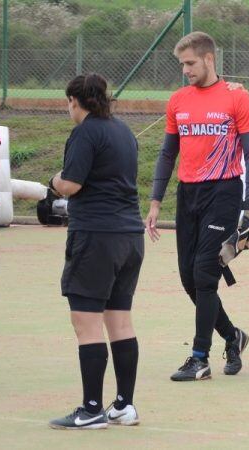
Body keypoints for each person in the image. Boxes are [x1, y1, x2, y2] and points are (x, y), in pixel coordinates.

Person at [145, 31, 249, 381]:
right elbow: (168, 154)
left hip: (224, 192)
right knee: (188, 278)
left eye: (190, 63)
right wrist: (155, 201)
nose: (185, 70)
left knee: (204, 273)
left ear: (209, 59)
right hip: (188, 194)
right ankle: (232, 336)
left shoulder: (237, 98)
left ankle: (200, 357)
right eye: (182, 64)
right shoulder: (178, 100)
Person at [48, 74, 144, 429]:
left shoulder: (85, 132)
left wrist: (53, 183)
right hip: (130, 238)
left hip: (96, 237)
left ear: (75, 101)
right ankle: (124, 405)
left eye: (68, 103)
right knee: (119, 321)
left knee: (86, 324)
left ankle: (90, 410)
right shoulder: (123, 131)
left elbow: (70, 184)